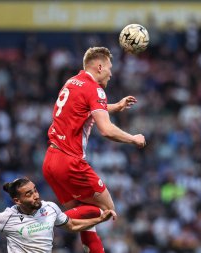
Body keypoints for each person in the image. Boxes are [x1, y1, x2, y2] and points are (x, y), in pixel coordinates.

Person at [42, 46, 146, 252]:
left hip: (51, 160)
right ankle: (39, 224)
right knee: (107, 209)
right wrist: (133, 139)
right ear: (99, 66)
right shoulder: (95, 89)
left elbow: (87, 106)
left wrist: (115, 106)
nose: (111, 72)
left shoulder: (72, 82)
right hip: (70, 161)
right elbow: (106, 130)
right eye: (109, 67)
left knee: (86, 220)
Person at [0, 178, 116, 253]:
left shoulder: (50, 207)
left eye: (35, 190)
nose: (36, 196)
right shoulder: (6, 217)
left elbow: (72, 225)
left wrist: (99, 219)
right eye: (29, 194)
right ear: (17, 200)